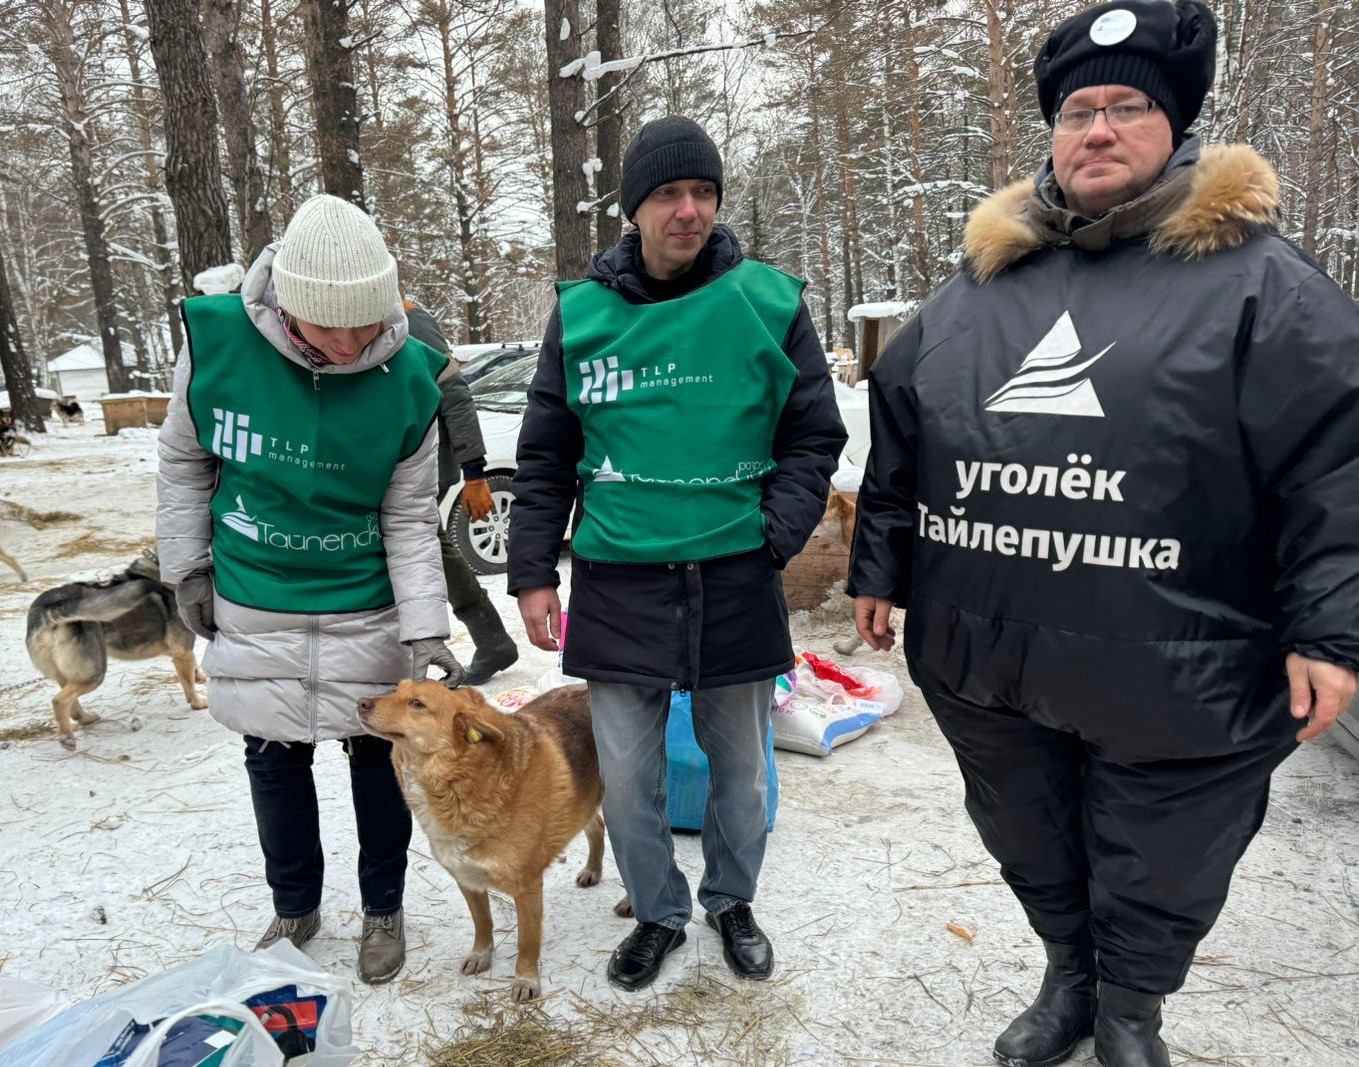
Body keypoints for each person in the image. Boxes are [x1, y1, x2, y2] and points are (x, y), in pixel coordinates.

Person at [849, 3, 1359, 1065]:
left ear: (1176, 126)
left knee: (1162, 857)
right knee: (1029, 839)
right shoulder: (979, 292)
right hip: (990, 659)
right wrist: (881, 563)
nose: (1099, 128)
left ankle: (1131, 1005)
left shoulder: (1266, 289)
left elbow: (1334, 468)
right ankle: (1069, 974)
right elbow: (902, 437)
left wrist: (1331, 629)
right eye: (1079, 108)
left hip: (1182, 665)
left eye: (1128, 106)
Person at [509, 116, 846, 991]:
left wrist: (777, 530)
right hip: (620, 577)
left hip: (734, 573)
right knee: (627, 775)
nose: (688, 210)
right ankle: (656, 910)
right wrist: (534, 570)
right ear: (635, 209)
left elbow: (814, 433)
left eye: (702, 192)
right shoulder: (583, 315)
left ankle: (731, 900)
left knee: (739, 770)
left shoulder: (767, 302)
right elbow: (545, 452)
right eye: (667, 194)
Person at [156, 194, 464, 985]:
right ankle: (295, 903)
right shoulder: (218, 344)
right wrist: (186, 566)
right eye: (331, 327)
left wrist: (427, 624)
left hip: (365, 600)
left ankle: (383, 907)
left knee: (378, 764)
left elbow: (406, 517)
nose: (352, 342)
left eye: (366, 324)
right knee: (273, 760)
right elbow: (185, 463)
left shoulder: (408, 377)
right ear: (290, 305)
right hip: (258, 590)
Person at [403, 290, 519, 684]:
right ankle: (493, 640)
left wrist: (475, 474)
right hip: (396, 467)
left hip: (420, 469)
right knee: (434, 552)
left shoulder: (411, 320)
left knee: (425, 553)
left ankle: (491, 640)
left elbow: (455, 396)